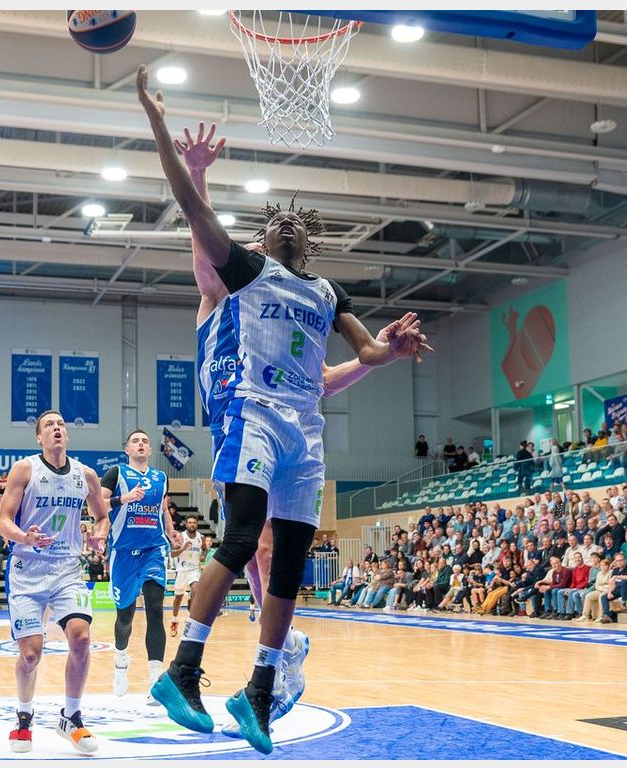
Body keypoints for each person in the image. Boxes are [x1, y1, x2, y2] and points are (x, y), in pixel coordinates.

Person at [139, 66, 427, 755]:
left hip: (303, 427)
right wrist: (166, 135)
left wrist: (388, 349)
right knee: (245, 541)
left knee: (288, 561)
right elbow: (194, 215)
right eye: (273, 219)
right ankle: (184, 668)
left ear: (311, 240)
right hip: (248, 415)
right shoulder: (239, 278)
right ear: (260, 242)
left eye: (295, 218)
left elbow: (352, 360)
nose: (285, 221)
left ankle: (260, 689)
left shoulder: (325, 293)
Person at [0, 410, 108, 755]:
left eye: (61, 424)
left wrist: (99, 536)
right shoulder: (24, 469)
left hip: (67, 569)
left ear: (66, 435)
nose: (56, 428)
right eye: (49, 425)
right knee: (30, 655)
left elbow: (102, 516)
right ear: (38, 437)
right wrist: (24, 537)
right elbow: (3, 521)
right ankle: (24, 715)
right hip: (27, 569)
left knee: (81, 638)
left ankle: (71, 717)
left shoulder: (85, 475)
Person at [94, 428, 179, 704]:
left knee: (155, 609)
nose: (141, 444)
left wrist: (171, 532)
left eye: (145, 441)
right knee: (125, 618)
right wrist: (124, 499)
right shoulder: (116, 474)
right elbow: (98, 505)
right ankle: (121, 661)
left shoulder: (161, 477)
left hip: (154, 549)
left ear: (150, 450)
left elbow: (163, 510)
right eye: (135, 441)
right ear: (127, 449)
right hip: (123, 553)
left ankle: (155, 681)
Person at [168, 516, 205, 638]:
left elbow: (204, 549)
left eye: (194, 522)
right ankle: (174, 621)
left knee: (196, 590)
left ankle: (191, 621)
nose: (192, 524)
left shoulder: (201, 537)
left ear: (197, 524)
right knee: (178, 599)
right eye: (189, 522)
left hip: (194, 570)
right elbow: (172, 554)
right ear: (186, 524)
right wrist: (183, 548)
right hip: (182, 570)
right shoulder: (180, 537)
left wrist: (203, 556)